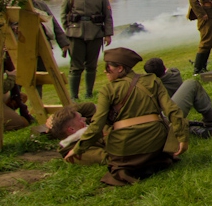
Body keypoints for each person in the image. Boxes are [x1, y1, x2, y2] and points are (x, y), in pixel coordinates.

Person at [65, 47, 189, 186]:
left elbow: (97, 125)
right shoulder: (152, 80)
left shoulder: (108, 90)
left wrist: (77, 149)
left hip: (125, 150)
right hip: (156, 145)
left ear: (120, 68)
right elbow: (173, 111)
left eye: (108, 67)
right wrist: (182, 138)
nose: (105, 71)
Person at [143, 58, 212, 137]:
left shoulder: (148, 85)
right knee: (192, 84)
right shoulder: (174, 75)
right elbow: (172, 71)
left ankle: (189, 127)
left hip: (149, 123)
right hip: (161, 121)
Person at [61, 0, 113, 100]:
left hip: (95, 33)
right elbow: (63, 15)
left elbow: (108, 17)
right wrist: (68, 30)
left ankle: (89, 93)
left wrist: (108, 34)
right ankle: (74, 96)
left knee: (91, 65)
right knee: (75, 67)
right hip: (75, 34)